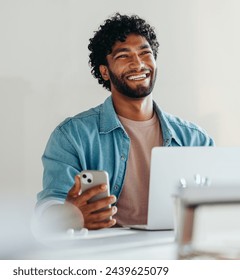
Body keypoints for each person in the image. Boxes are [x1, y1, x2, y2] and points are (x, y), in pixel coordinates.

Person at [36, 13, 214, 230]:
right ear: (104, 71)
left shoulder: (196, 139)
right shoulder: (72, 136)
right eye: (123, 56)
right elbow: (48, 207)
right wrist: (71, 216)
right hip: (105, 255)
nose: (138, 64)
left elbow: (214, 207)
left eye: (145, 53)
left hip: (173, 250)